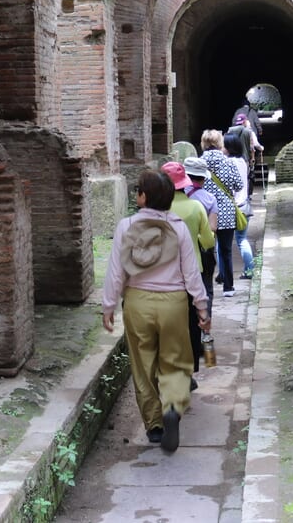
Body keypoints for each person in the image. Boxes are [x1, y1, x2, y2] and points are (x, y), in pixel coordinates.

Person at [102, 169, 210, 452]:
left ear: (143, 197)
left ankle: (154, 426)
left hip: (138, 302)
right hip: (174, 302)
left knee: (143, 364)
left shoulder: (126, 226)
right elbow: (191, 274)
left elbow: (117, 272)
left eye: (138, 189)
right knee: (174, 360)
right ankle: (172, 406)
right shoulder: (178, 227)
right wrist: (202, 307)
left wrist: (108, 305)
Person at [162, 161, 216, 385]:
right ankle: (190, 370)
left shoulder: (157, 210)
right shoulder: (196, 207)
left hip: (164, 276)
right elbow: (207, 240)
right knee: (192, 323)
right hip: (193, 272)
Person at [200, 129, 244, 297]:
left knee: (206, 250)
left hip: (204, 212)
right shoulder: (228, 163)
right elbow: (239, 185)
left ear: (204, 143)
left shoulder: (199, 163)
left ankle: (206, 286)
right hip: (225, 212)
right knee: (226, 250)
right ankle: (228, 287)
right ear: (220, 143)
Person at [182, 156, 218, 300]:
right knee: (206, 288)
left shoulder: (175, 197)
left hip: (181, 249)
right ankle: (205, 317)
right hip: (203, 249)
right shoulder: (210, 199)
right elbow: (213, 227)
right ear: (203, 178)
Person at [223, 133, 255, 279]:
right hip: (244, 205)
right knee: (242, 240)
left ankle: (223, 274)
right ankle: (249, 270)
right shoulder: (243, 161)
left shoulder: (227, 163)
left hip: (231, 206)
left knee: (223, 242)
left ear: (228, 147)